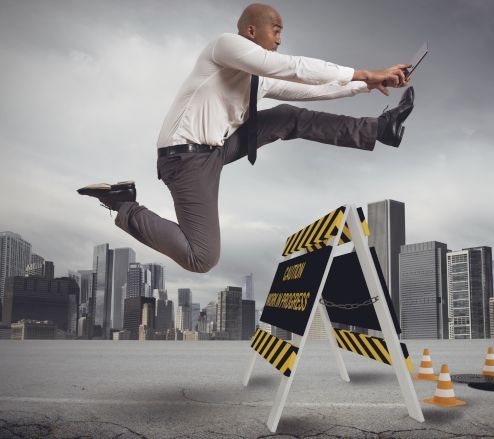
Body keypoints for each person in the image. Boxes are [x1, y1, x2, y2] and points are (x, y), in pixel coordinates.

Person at [78, 3, 415, 274]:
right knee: (202, 258)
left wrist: (366, 85)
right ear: (252, 30)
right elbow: (292, 67)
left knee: (288, 116)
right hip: (183, 158)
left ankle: (379, 129)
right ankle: (123, 204)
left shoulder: (257, 78)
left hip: (214, 150)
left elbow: (311, 89)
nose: (280, 39)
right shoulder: (224, 46)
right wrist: (365, 71)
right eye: (277, 30)